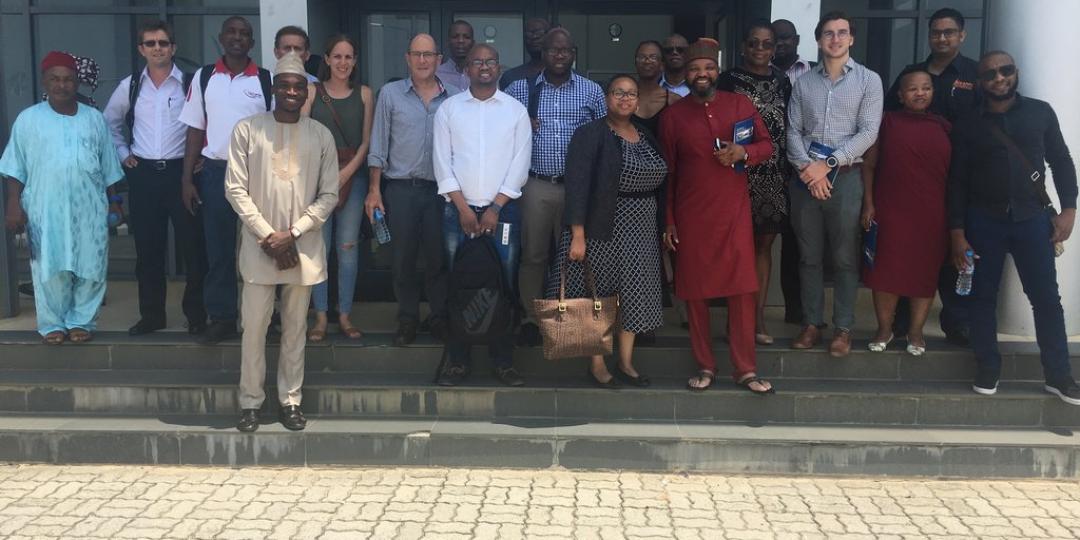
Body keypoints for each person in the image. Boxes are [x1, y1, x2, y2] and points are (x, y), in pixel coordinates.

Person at [948, 51, 1080, 405]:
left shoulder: (1040, 112)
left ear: (1015, 73)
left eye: (1005, 71)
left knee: (1046, 299)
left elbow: (1062, 161)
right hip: (982, 220)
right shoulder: (968, 122)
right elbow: (956, 180)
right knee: (982, 299)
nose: (999, 78)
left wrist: (1069, 209)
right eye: (990, 74)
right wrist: (957, 232)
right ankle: (988, 367)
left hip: (1032, 220)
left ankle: (1059, 376)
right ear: (980, 82)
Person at [225, 52, 339, 432]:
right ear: (273, 89)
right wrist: (267, 235)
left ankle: (291, 401)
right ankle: (250, 402)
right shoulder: (247, 129)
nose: (291, 92)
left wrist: (290, 233)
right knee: (254, 327)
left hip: (301, 249)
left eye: (298, 87)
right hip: (260, 249)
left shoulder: (320, 135)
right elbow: (234, 189)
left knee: (294, 329)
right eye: (284, 86)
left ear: (306, 92)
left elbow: (329, 196)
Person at [660, 39, 774, 395]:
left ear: (717, 70)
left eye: (707, 67)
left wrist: (744, 151)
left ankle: (746, 369)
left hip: (734, 215)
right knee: (696, 293)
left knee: (742, 290)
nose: (701, 74)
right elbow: (669, 174)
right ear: (686, 74)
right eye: (694, 69)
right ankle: (705, 365)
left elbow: (768, 145)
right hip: (691, 216)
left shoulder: (739, 104)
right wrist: (669, 221)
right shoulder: (672, 117)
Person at [547, 74, 667, 389]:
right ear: (606, 98)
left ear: (638, 101)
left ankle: (626, 363)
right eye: (618, 93)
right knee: (595, 295)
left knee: (635, 294)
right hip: (602, 227)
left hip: (640, 229)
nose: (624, 99)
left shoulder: (644, 133)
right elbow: (577, 186)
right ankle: (598, 364)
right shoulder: (590, 134)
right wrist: (577, 234)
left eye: (631, 94)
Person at [1, 51, 124, 344]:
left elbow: (108, 166)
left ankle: (82, 320)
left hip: (90, 209)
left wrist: (116, 203)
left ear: (76, 82)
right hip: (45, 208)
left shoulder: (94, 119)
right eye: (55, 79)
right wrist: (13, 204)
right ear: (45, 81)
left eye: (68, 79)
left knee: (90, 265)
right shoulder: (28, 120)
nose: (61, 85)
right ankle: (52, 323)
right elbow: (15, 168)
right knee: (49, 266)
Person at [433, 44, 531, 387]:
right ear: (468, 69)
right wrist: (463, 209)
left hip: (502, 214)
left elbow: (520, 166)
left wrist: (494, 208)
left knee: (504, 283)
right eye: (477, 62)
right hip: (456, 214)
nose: (484, 67)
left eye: (490, 61)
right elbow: (442, 163)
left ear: (499, 67)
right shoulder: (449, 109)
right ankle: (457, 361)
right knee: (458, 282)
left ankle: (503, 361)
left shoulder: (515, 111)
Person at [786, 11, 882, 358]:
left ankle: (843, 328)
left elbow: (869, 132)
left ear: (851, 39)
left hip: (846, 177)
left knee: (843, 258)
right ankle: (812, 323)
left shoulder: (869, 81)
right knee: (808, 257)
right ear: (818, 39)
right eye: (828, 33)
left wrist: (826, 165)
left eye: (842, 33)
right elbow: (792, 131)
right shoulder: (803, 83)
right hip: (806, 179)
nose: (836, 39)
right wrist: (808, 171)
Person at [103, 20, 207, 337]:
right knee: (148, 251)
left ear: (173, 47)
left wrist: (203, 154)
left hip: (183, 174)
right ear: (141, 49)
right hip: (145, 174)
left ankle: (197, 316)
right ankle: (152, 316)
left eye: (163, 42)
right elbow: (109, 123)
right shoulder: (130, 86)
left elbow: (210, 120)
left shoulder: (191, 82)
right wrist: (123, 154)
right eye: (151, 43)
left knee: (194, 250)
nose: (158, 48)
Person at [505, 28, 606, 347]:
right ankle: (532, 320)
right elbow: (502, 135)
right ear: (542, 52)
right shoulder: (521, 90)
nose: (559, 55)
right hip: (536, 185)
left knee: (577, 255)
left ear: (574, 53)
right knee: (533, 256)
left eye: (565, 50)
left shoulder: (591, 91)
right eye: (553, 50)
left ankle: (573, 319)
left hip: (579, 189)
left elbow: (605, 138)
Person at [885, 7, 980, 345]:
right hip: (913, 179)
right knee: (909, 248)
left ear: (961, 35)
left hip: (959, 175)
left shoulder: (974, 73)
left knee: (954, 248)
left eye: (949, 32)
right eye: (936, 32)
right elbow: (890, 116)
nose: (942, 38)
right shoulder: (913, 73)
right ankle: (901, 322)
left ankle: (956, 320)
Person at [178, 16, 272, 345]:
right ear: (221, 38)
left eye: (244, 34)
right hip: (216, 173)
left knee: (260, 248)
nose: (237, 38)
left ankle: (262, 317)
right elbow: (194, 129)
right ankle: (222, 317)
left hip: (256, 175)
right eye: (231, 32)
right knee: (218, 250)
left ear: (252, 42)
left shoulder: (265, 80)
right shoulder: (205, 78)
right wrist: (187, 178)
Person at [366, 33, 460, 346]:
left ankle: (439, 317)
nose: (422, 60)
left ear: (438, 60)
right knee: (402, 259)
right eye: (417, 54)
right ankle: (407, 319)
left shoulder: (456, 97)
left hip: (440, 193)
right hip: (400, 190)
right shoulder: (390, 95)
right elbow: (378, 145)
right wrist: (375, 190)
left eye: (428, 55)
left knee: (438, 258)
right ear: (407, 58)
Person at [861, 68, 951, 356]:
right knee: (886, 271)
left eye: (926, 88)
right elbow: (869, 166)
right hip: (891, 209)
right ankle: (884, 329)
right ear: (900, 95)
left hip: (932, 213)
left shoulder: (944, 126)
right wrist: (869, 203)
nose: (920, 93)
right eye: (913, 89)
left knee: (923, 272)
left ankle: (915, 332)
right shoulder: (885, 122)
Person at [717, 20, 793, 345]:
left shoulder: (783, 80)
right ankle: (736, 320)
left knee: (764, 246)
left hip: (773, 176)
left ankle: (758, 317)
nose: (760, 49)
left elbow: (791, 125)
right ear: (744, 47)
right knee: (737, 249)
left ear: (775, 48)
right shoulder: (728, 80)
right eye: (754, 43)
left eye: (767, 44)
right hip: (736, 175)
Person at [301, 34, 374, 342]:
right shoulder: (311, 92)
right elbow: (301, 137)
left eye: (349, 57)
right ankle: (320, 316)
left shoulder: (365, 94)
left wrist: (346, 174)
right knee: (319, 248)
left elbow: (366, 142)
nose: (343, 62)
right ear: (327, 60)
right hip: (316, 180)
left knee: (347, 249)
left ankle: (344, 314)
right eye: (337, 56)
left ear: (355, 61)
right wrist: (324, 176)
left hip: (352, 179)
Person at [771, 18, 814, 324]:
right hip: (767, 167)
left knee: (799, 241)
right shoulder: (759, 75)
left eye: (786, 38)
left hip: (807, 167)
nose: (781, 43)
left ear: (797, 40)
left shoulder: (813, 73)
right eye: (776, 39)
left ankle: (797, 310)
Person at [631, 40, 680, 137]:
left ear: (662, 65)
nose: (647, 61)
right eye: (642, 57)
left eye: (653, 57)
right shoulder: (624, 99)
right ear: (635, 63)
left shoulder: (674, 100)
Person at [499, 18, 551, 90]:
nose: (534, 37)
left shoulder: (565, 76)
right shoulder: (511, 76)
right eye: (529, 34)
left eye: (539, 33)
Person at [770, 19, 815, 84]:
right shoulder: (759, 71)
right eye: (774, 39)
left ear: (797, 40)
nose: (779, 43)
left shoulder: (815, 71)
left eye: (784, 37)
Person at [436, 20, 474, 91]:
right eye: (455, 37)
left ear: (473, 43)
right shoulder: (436, 75)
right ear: (448, 42)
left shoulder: (480, 74)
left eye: (466, 37)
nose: (461, 41)